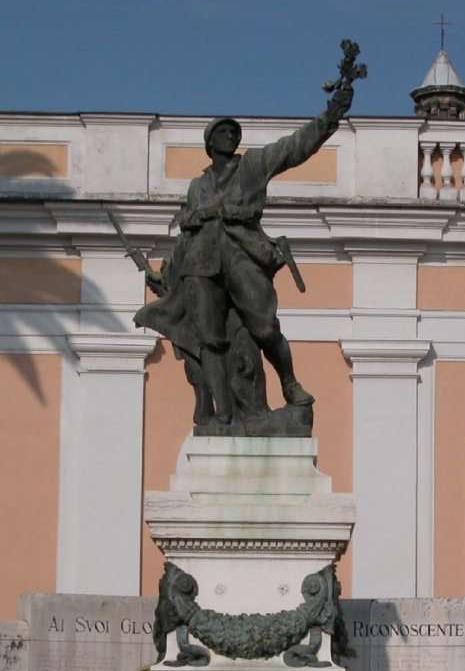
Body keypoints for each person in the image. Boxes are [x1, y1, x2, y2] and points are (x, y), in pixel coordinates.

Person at [137, 82, 355, 426]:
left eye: (233, 132)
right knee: (209, 338)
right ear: (210, 144)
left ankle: (289, 382)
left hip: (242, 255)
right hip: (202, 266)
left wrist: (330, 117)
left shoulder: (252, 166)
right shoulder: (198, 187)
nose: (230, 137)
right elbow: (186, 237)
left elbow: (293, 148)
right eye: (223, 132)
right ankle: (222, 412)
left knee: (265, 327)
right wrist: (165, 273)